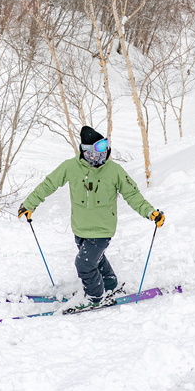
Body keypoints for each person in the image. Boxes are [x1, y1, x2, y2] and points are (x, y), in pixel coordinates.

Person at [17, 125, 166, 306]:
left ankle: (95, 298)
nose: (103, 154)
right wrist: (29, 204)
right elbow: (49, 184)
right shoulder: (70, 167)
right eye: (98, 150)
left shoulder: (114, 170)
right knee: (96, 259)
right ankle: (110, 285)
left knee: (84, 264)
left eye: (105, 147)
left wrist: (150, 213)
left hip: (103, 228)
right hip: (80, 227)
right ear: (86, 151)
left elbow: (132, 195)